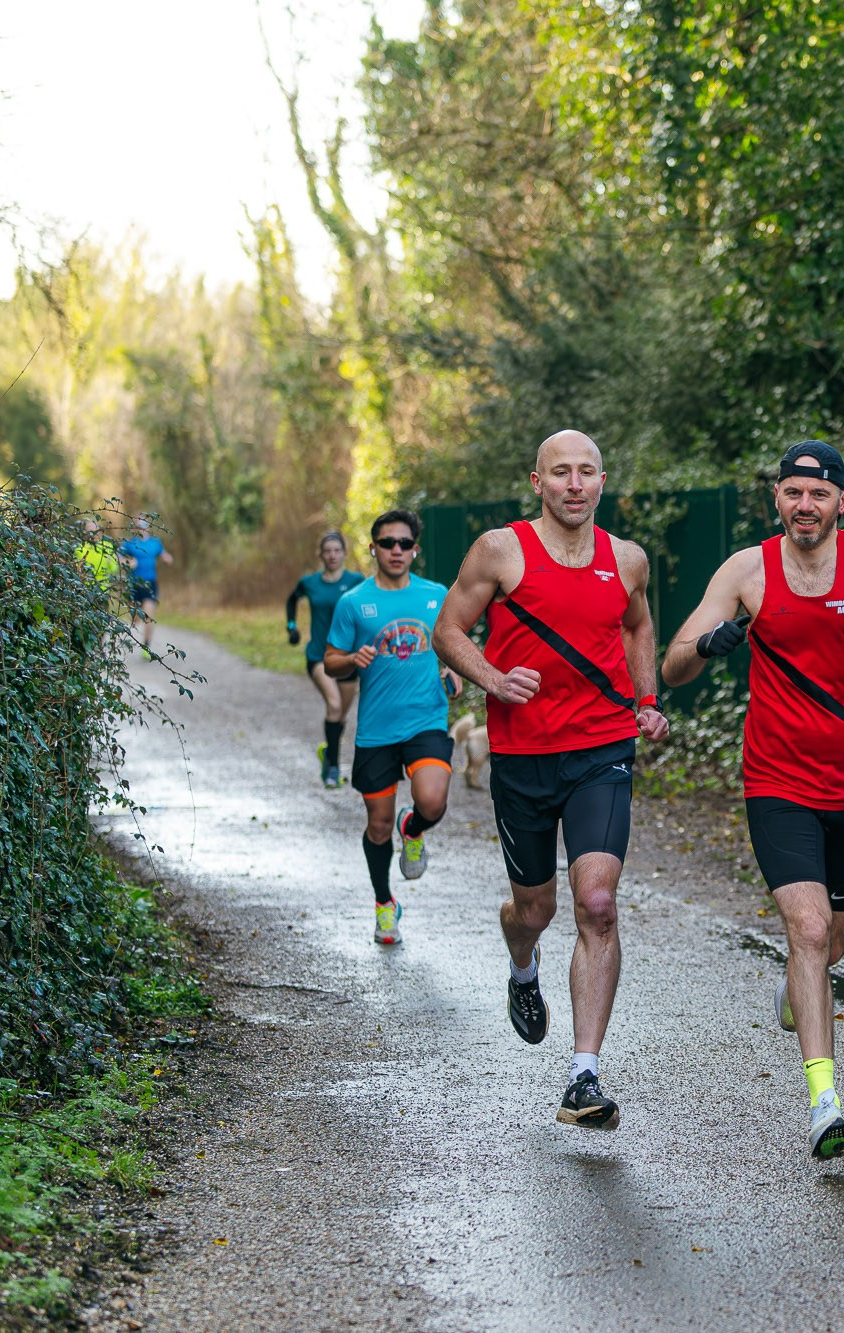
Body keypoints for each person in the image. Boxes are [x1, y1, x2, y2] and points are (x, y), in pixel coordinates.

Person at [661, 440, 844, 1160]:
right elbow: (672, 663)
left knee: (833, 940)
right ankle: (825, 1103)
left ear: (841, 501)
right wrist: (711, 643)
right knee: (811, 929)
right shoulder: (747, 570)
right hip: (777, 781)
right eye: (792, 493)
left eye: (818, 495)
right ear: (778, 499)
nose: (804, 506)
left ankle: (803, 983)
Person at [433, 430, 668, 1132]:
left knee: (597, 901)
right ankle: (523, 963)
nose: (574, 484)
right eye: (560, 472)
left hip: (601, 747)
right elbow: (448, 629)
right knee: (532, 909)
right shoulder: (500, 550)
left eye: (586, 472)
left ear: (602, 481)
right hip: (524, 755)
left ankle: (583, 1074)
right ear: (536, 481)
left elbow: (638, 625)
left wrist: (648, 701)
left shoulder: (627, 558)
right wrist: (495, 679)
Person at [322, 511, 462, 947]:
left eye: (404, 543)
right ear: (373, 548)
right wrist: (351, 660)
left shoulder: (436, 596)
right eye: (387, 543)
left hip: (425, 719)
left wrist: (453, 669)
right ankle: (385, 904)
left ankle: (415, 828)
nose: (396, 550)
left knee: (433, 801)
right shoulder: (353, 602)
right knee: (378, 826)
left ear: (415, 548)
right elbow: (330, 659)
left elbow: (456, 641)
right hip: (377, 731)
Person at [286, 531, 367, 787]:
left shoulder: (357, 581)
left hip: (348, 658)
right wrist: (291, 625)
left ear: (344, 553)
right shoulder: (310, 582)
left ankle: (327, 751)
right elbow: (292, 599)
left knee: (340, 715)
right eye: (327, 551)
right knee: (333, 706)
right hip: (319, 656)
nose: (332, 555)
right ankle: (333, 767)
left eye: (337, 550)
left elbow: (369, 610)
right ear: (320, 555)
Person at [119, 518, 172, 655]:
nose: (141, 528)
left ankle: (146, 646)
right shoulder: (130, 544)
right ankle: (135, 619)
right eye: (139, 526)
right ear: (135, 528)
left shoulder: (155, 543)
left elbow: (164, 555)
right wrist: (127, 561)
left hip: (150, 584)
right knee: (135, 619)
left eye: (144, 526)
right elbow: (118, 558)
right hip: (133, 585)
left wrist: (167, 559)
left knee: (149, 616)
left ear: (148, 528)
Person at [76, 517, 119, 592]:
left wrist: (110, 561)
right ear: (85, 533)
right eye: (90, 531)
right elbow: (77, 572)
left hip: (103, 590)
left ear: (101, 531)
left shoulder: (108, 546)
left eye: (96, 531)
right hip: (85, 590)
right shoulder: (80, 549)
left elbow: (114, 569)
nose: (93, 534)